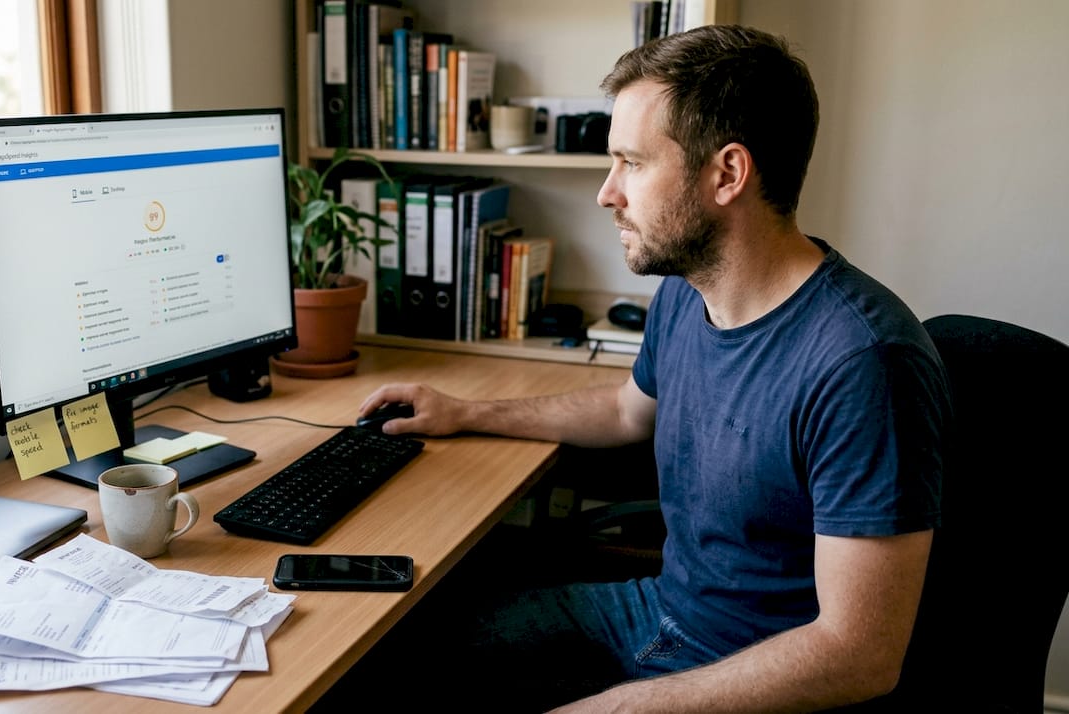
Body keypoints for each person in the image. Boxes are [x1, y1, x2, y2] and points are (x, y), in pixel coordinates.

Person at [346, 23, 950, 713]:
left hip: (757, 680)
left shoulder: (863, 364)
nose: (608, 192)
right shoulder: (688, 290)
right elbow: (627, 411)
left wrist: (619, 707)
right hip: (659, 616)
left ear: (728, 174)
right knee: (393, 656)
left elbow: (859, 654)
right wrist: (466, 411)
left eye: (631, 163)